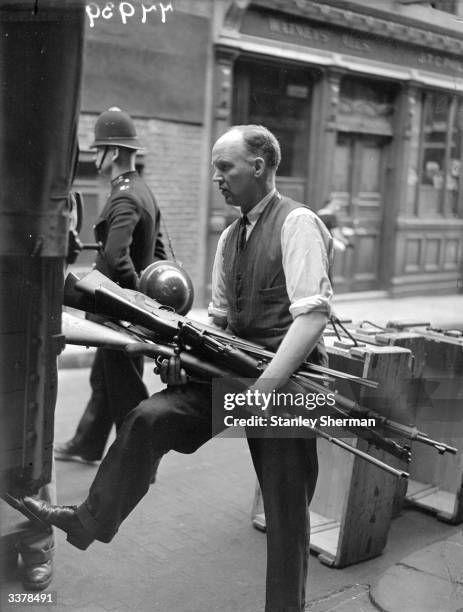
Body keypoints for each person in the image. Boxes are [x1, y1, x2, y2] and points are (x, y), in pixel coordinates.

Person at [23, 125, 333, 611]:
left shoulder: (298, 224)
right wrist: (184, 367)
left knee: (286, 512)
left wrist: (268, 388)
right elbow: (222, 323)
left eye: (225, 167)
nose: (217, 178)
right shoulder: (231, 237)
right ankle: (89, 520)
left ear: (258, 166)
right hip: (233, 371)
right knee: (151, 416)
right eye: (214, 169)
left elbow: (313, 316)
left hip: (287, 384)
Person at [55, 107, 166, 464]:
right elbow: (159, 250)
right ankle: (87, 445)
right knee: (105, 382)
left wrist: (133, 304)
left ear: (113, 153)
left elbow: (117, 258)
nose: (93, 156)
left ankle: (138, 460)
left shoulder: (123, 195)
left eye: (97, 149)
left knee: (125, 389)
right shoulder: (141, 190)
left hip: (116, 311)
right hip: (119, 310)